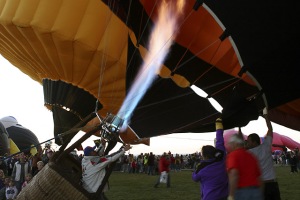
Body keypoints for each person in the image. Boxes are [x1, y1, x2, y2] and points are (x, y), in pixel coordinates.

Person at [245, 108, 282, 200]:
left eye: (249, 142)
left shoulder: (249, 153)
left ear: (254, 142)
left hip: (260, 185)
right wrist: (265, 117)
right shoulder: (266, 145)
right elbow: (270, 129)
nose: (247, 143)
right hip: (272, 183)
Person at [192, 118, 228, 200]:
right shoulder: (221, 157)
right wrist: (218, 125)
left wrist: (196, 169)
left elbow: (195, 178)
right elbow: (220, 141)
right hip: (224, 195)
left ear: (206, 156)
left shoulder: (202, 167)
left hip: (210, 197)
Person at [226, 134, 262, 200]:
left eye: (230, 144)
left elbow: (234, 175)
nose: (230, 146)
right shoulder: (251, 156)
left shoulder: (233, 155)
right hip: (256, 191)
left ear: (235, 143)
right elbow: (259, 177)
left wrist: (231, 195)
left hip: (242, 192)